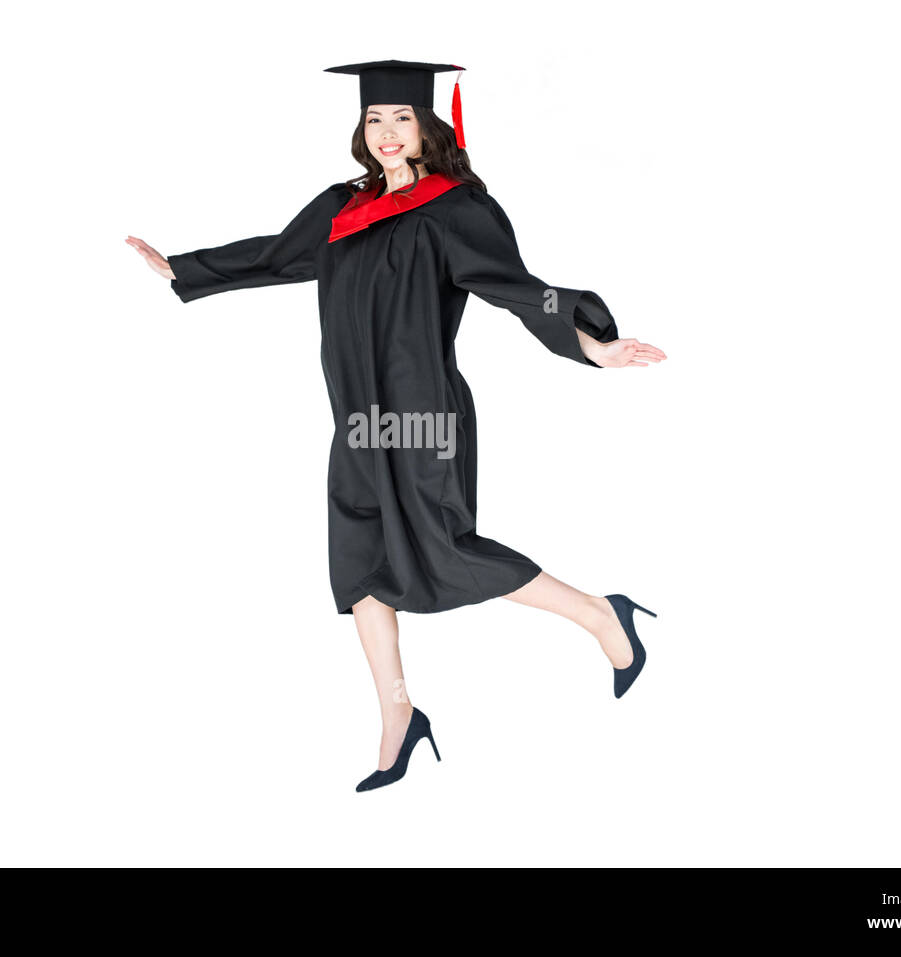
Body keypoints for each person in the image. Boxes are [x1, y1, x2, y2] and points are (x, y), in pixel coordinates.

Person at [126, 60, 667, 792]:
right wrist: (185, 270)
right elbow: (277, 255)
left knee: (441, 549)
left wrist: (592, 342)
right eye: (375, 119)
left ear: (427, 127)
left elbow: (519, 289)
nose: (386, 133)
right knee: (358, 562)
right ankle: (398, 713)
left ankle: (603, 613)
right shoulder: (342, 205)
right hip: (357, 413)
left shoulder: (456, 209)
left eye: (402, 119)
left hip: (421, 413)